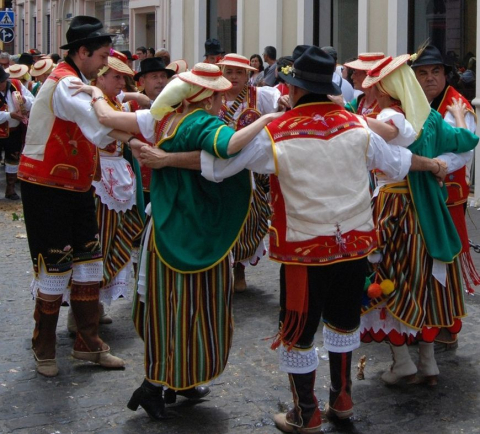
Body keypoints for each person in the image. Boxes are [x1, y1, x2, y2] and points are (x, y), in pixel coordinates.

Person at [158, 46, 452, 433]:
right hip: (354, 246)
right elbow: (397, 161)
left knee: (298, 332)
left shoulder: (277, 132)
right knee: (344, 323)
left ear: (293, 90)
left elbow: (221, 165)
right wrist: (431, 164)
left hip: (303, 251)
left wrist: (165, 160)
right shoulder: (358, 126)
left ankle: (307, 412)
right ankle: (342, 400)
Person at [71, 62, 281, 420]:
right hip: (195, 231)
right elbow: (228, 145)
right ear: (208, 96)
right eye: (219, 93)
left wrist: (95, 95)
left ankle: (180, 379)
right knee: (194, 308)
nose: (223, 97)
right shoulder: (203, 123)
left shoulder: (164, 120)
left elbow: (106, 117)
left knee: (166, 307)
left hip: (164, 227)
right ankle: (155, 384)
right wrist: (268, 120)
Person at [17, 15, 133, 377]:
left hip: (77, 185)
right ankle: (45, 347)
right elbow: (99, 127)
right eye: (101, 55)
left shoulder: (80, 80)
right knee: (56, 266)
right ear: (82, 53)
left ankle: (88, 343)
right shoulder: (67, 85)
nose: (105, 62)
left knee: (88, 263)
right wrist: (146, 134)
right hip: (47, 187)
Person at [359, 54, 478, 387]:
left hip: (394, 209)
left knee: (392, 277)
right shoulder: (433, 118)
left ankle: (403, 362)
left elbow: (391, 135)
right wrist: (452, 127)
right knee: (426, 281)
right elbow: (467, 141)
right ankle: (428, 362)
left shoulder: (388, 115)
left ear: (384, 88)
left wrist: (351, 119)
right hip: (429, 213)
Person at [66, 51, 145, 334]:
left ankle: (95, 304)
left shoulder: (115, 102)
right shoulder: (89, 104)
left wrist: (133, 96)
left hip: (119, 178)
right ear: (99, 78)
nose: (122, 82)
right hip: (98, 179)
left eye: (124, 77)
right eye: (116, 76)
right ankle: (78, 311)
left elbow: (146, 102)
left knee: (114, 239)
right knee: (95, 241)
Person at [411, 45, 479, 349]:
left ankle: (447, 325)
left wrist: (435, 166)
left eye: (435, 72)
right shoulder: (413, 104)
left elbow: (464, 150)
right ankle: (422, 319)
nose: (429, 79)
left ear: (445, 74)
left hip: (447, 197)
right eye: (422, 73)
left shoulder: (457, 105)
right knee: (421, 258)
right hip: (420, 194)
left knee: (446, 256)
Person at [216, 53, 281, 291]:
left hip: (250, 168)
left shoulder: (260, 96)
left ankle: (239, 270)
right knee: (219, 219)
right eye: (229, 72)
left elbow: (280, 103)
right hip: (220, 167)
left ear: (248, 75)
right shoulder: (212, 98)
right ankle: (220, 268)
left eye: (239, 72)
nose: (234, 77)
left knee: (248, 219)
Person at [0, 66, 34, 199]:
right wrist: (10, 115)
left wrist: (24, 101)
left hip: (14, 131)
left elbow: (33, 101)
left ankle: (10, 188)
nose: (1, 85)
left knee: (13, 158)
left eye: (2, 82)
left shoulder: (16, 85)